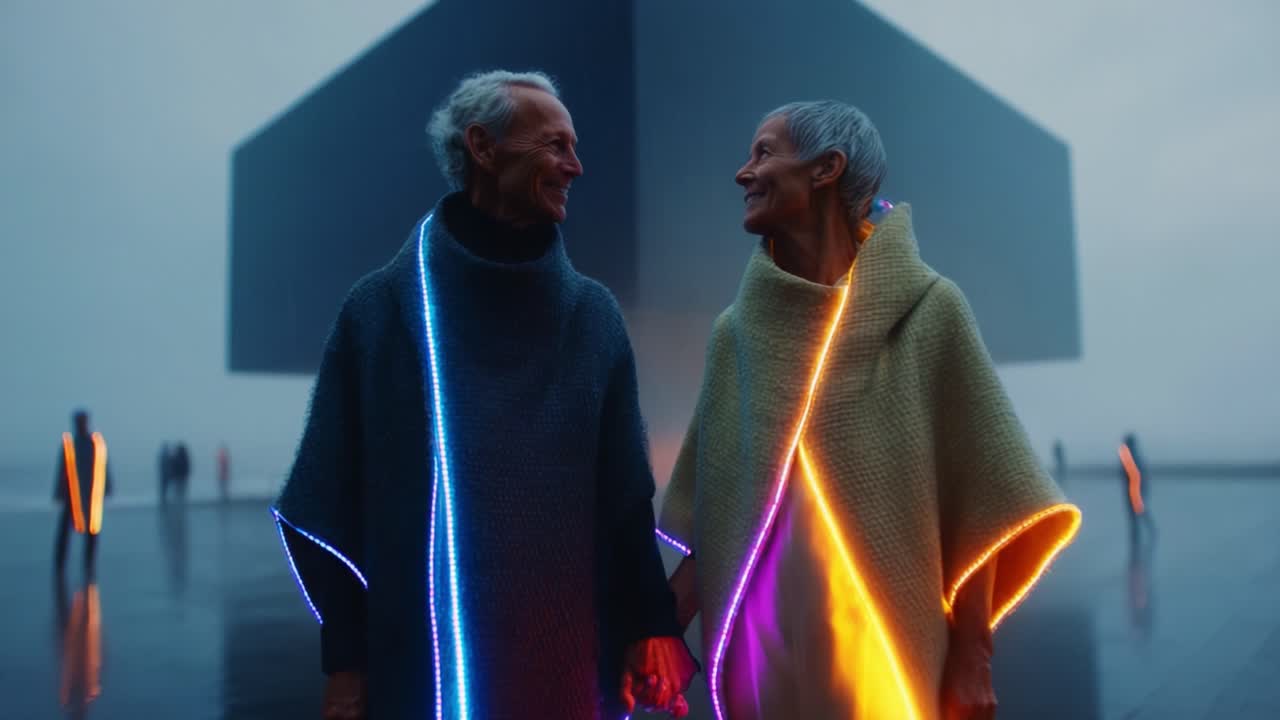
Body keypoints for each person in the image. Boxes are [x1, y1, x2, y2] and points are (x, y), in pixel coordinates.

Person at [272, 69, 696, 719]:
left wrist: (652, 627)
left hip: (572, 672)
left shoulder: (593, 318)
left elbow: (625, 502)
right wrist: (347, 668)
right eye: (556, 145)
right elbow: (329, 506)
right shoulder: (381, 312)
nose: (576, 167)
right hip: (418, 675)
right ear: (482, 146)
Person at [657, 101, 1081, 720]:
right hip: (759, 653)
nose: (744, 173)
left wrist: (973, 658)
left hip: (877, 650)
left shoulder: (930, 309)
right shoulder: (737, 333)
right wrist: (655, 633)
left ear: (826, 168)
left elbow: (981, 501)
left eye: (765, 153)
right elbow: (723, 511)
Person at [54, 410, 112, 575]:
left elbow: (103, 466)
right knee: (65, 531)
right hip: (71, 495)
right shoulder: (70, 445)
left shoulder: (95, 443)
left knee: (92, 530)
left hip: (91, 494)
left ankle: (88, 563)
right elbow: (62, 470)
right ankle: (60, 564)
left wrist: (106, 487)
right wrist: (59, 492)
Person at [1119, 432, 1155, 551]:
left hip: (1134, 491)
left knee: (1137, 512)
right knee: (1136, 513)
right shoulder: (1131, 455)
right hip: (1133, 490)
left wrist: (1136, 493)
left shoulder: (1131, 456)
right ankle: (1139, 534)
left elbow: (1135, 475)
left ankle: (1143, 533)